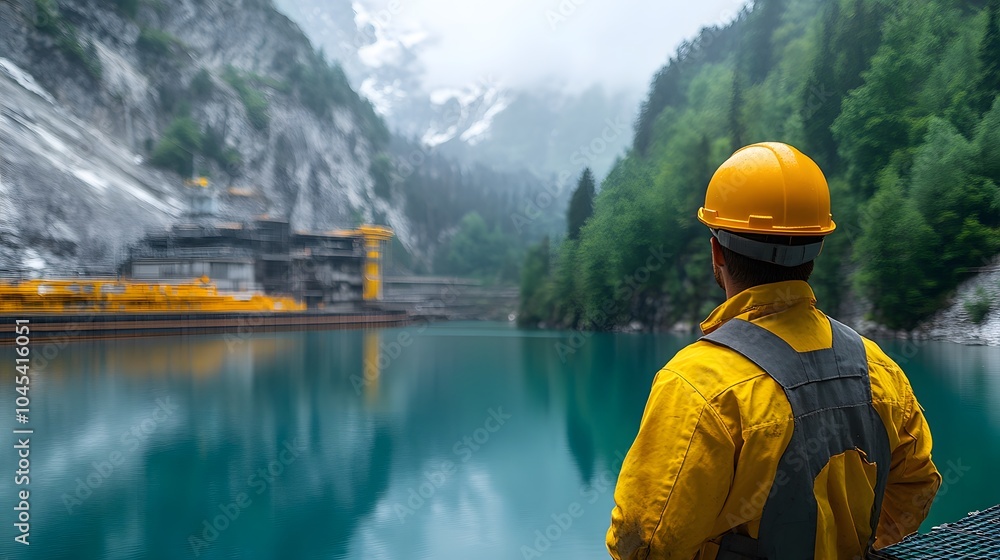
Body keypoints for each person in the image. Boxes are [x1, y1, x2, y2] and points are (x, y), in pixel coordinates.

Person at [606, 142, 941, 559]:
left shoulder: (697, 386)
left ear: (716, 253)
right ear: (817, 247)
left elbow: (645, 543)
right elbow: (917, 484)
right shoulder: (878, 368)